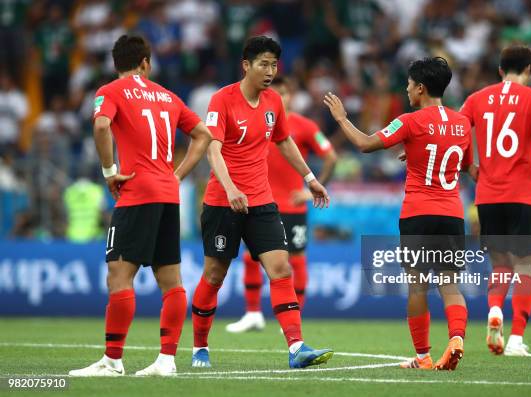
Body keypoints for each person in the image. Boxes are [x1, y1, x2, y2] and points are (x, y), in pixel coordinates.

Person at [69, 34, 212, 377]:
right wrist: (177, 175)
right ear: (145, 62)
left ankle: (113, 360)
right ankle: (166, 360)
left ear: (114, 63)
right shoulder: (167, 95)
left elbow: (102, 125)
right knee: (172, 281)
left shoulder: (109, 91)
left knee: (119, 274)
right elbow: (204, 135)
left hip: (136, 192)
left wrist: (109, 171)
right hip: (167, 193)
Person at [191, 36, 333, 369]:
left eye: (274, 65)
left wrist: (311, 179)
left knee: (281, 269)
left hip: (262, 201)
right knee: (214, 275)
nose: (270, 71)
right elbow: (212, 148)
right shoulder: (221, 99)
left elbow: (284, 142)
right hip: (222, 201)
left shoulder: (274, 102)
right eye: (263, 64)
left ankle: (296, 347)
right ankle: (199, 346)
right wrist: (229, 189)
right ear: (246, 65)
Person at [325, 57, 475, 371]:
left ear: (420, 88)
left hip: (418, 212)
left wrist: (341, 118)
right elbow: (463, 164)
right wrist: (418, 151)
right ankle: (457, 337)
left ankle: (422, 357)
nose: (406, 90)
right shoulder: (462, 122)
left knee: (418, 286)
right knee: (450, 285)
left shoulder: (409, 121)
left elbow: (366, 144)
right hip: (451, 213)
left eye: (408, 85)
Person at [460, 45, 531, 357]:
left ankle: (494, 311)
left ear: (500, 70)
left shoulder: (477, 98)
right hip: (523, 195)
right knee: (526, 269)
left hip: (487, 196)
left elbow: (458, 131)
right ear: (529, 68)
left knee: (500, 265)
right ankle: (516, 338)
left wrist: (470, 165)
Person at [226, 76, 337, 333]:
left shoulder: (305, 126)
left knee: (296, 260)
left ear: (289, 96)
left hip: (291, 206)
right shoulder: (251, 122)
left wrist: (313, 190)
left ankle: (293, 314)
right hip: (259, 202)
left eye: (284, 93)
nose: (279, 97)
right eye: (274, 92)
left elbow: (330, 156)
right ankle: (253, 313)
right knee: (250, 257)